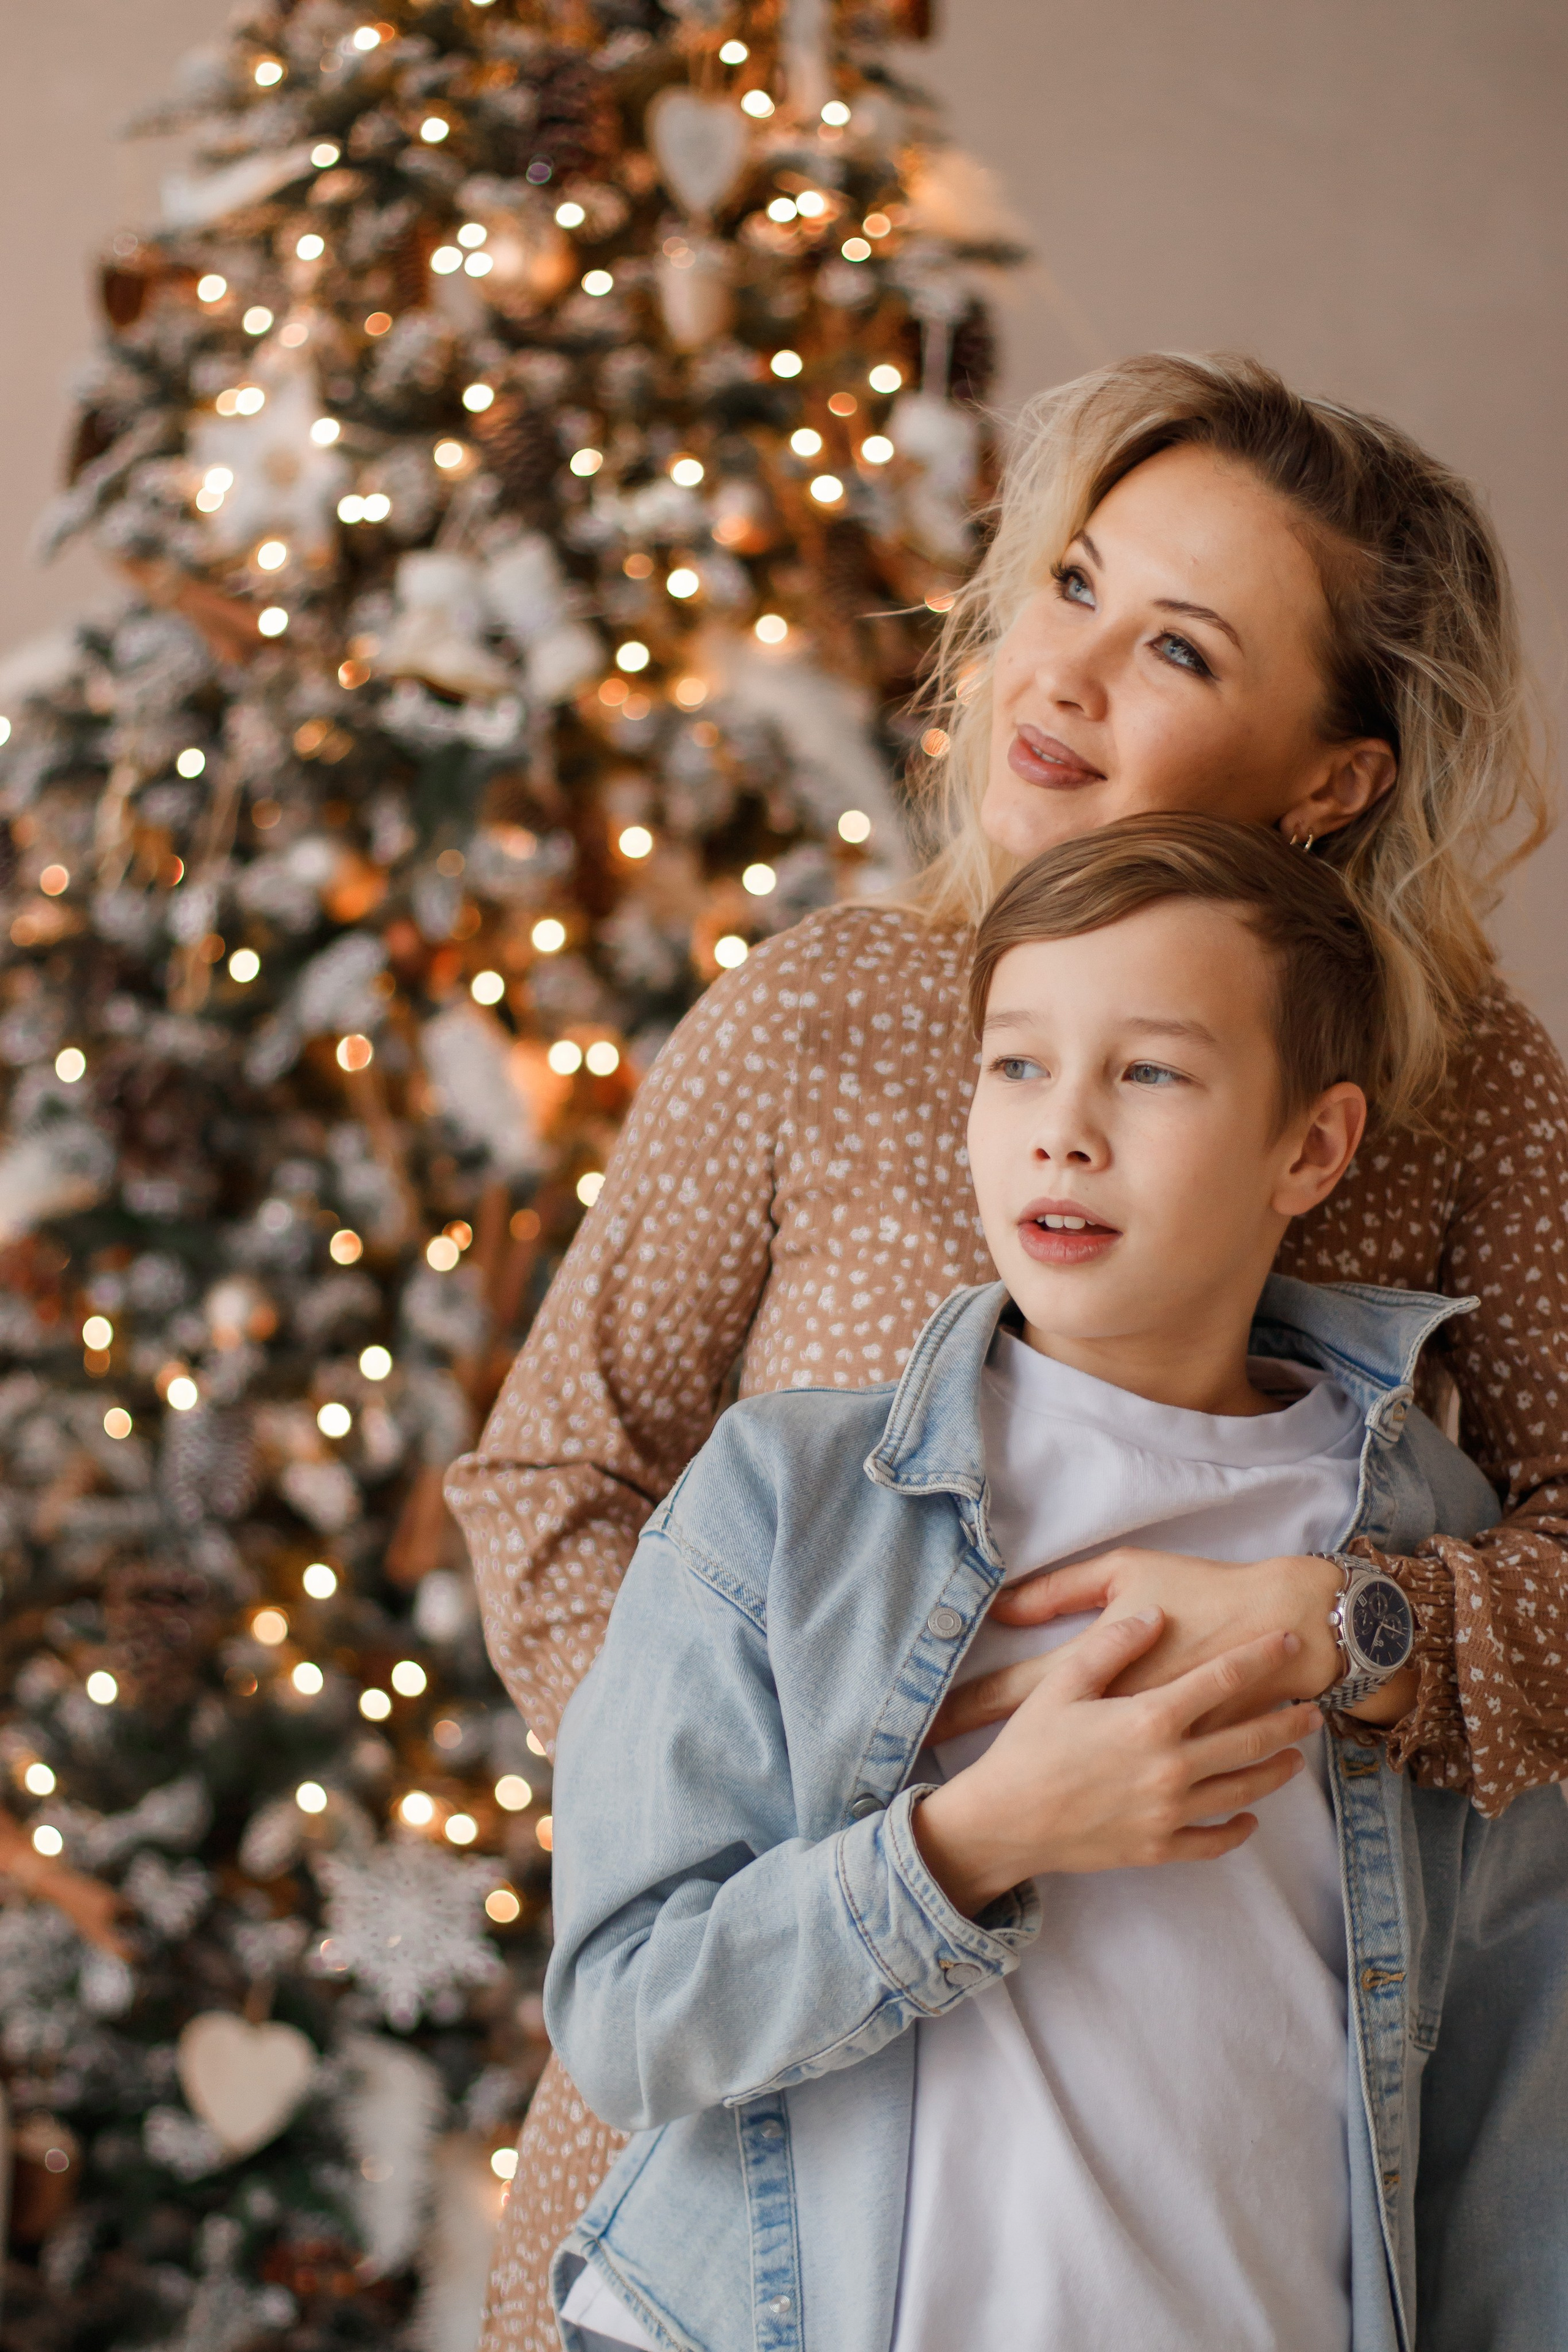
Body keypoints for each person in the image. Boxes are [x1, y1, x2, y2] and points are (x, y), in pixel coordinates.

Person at [445, 353, 1568, 2352]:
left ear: (1336, 775)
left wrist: (1348, 1629)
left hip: (1211, 2197)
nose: (1064, 677)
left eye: (1179, 649)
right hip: (772, 2163)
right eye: (1070, 586)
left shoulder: (1464, 1095)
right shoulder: (828, 1009)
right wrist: (785, 1792)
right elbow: (558, 1476)